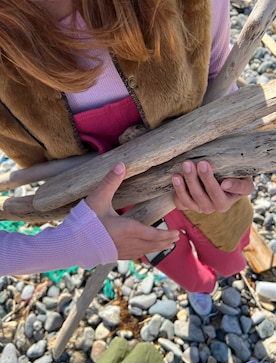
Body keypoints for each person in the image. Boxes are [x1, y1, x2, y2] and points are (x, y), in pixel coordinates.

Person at [0, 0, 254, 313]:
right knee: (176, 263)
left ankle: (224, 273)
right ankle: (201, 286)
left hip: (206, 179)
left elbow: (217, 71)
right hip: (123, 217)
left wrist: (238, 160)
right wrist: (71, 243)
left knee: (228, 250)